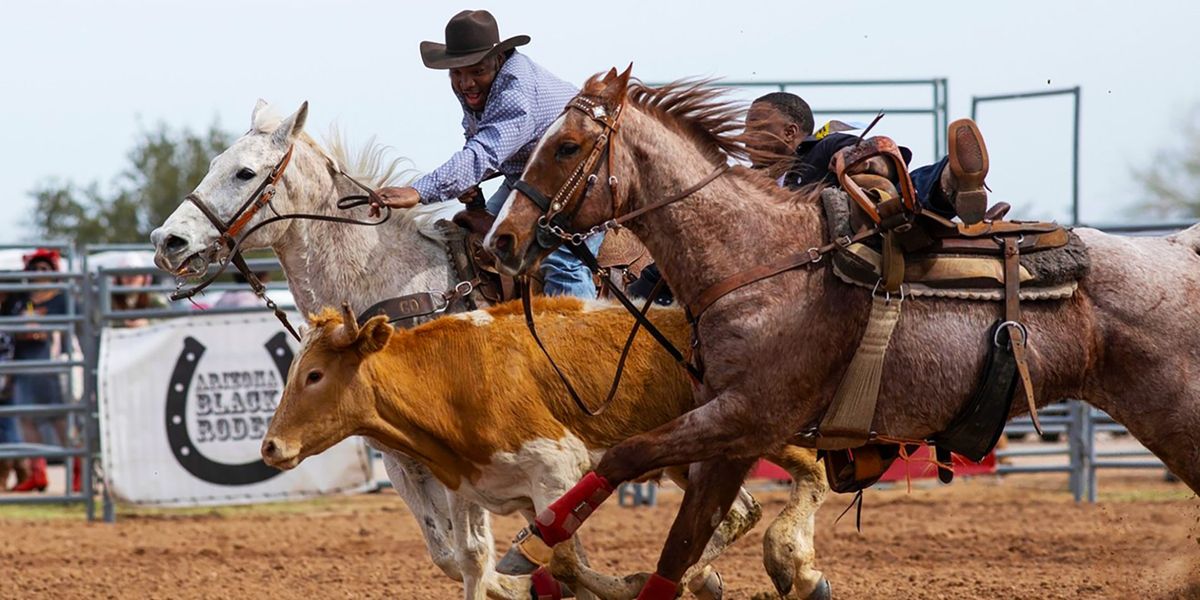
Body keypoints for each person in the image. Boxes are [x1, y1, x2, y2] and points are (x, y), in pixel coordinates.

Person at [370, 10, 603, 298]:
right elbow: (486, 144)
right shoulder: (478, 88)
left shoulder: (515, 91)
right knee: (479, 242)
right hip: (529, 179)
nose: (466, 82)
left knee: (563, 261)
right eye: (457, 72)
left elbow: (485, 151)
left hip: (576, 178)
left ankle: (575, 339)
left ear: (499, 60)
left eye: (476, 71)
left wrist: (420, 191)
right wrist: (470, 180)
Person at [743, 91, 990, 223]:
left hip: (866, 228)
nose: (744, 137)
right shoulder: (746, 181)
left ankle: (952, 181)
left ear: (789, 132)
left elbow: (884, 163)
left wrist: (860, 159)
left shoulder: (823, 147)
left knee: (895, 189)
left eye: (755, 127)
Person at [10, 249, 72, 493]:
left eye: (44, 269)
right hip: (24, 363)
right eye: (35, 269)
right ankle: (37, 472)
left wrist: (44, 330)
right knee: (27, 419)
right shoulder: (20, 298)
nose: (38, 273)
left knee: (60, 419)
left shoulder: (61, 298)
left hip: (51, 365)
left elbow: (70, 328)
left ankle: (78, 470)